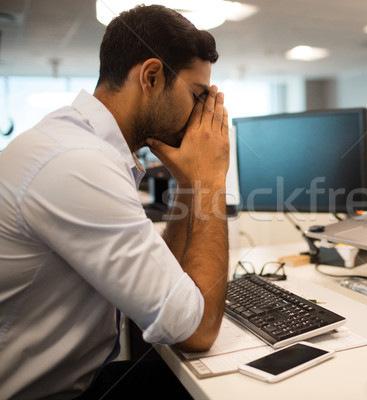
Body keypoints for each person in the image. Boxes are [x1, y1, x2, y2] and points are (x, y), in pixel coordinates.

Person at [0, 5, 229, 399]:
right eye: (196, 95)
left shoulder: (80, 143)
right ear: (151, 77)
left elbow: (175, 285)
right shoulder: (78, 164)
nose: (201, 115)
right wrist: (211, 181)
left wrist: (190, 182)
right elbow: (196, 329)